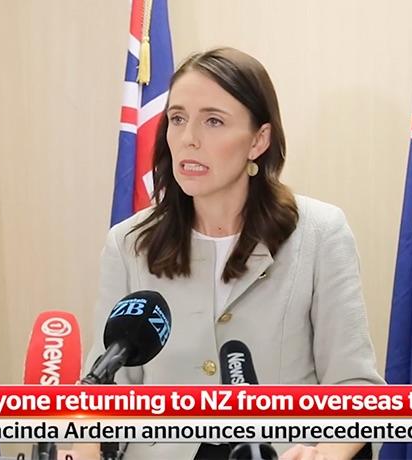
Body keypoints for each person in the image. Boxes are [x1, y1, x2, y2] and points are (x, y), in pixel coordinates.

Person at [84, 47, 384, 460]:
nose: (188, 139)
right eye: (177, 119)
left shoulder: (319, 234)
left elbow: (355, 389)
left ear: (258, 140)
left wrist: (324, 455)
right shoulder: (129, 243)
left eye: (213, 121)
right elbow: (104, 395)